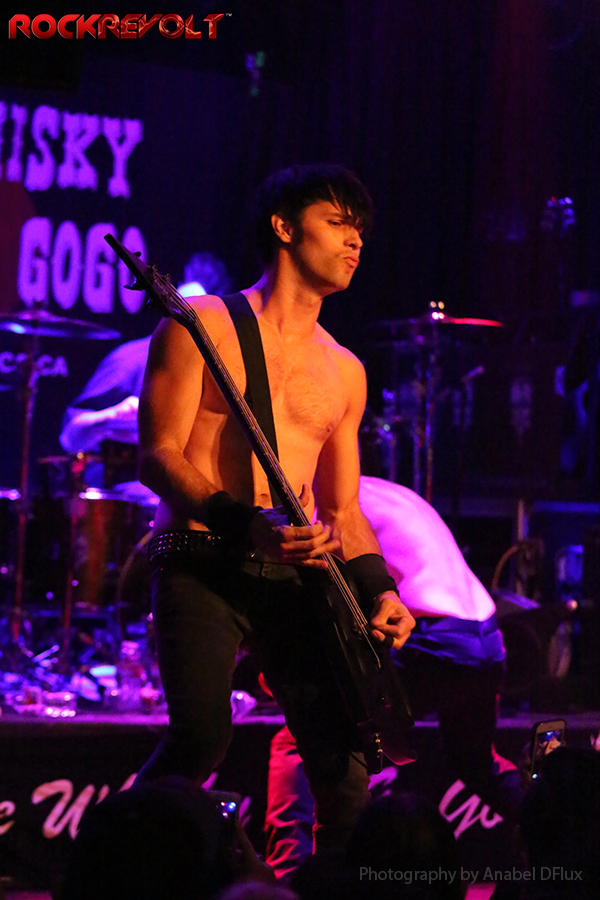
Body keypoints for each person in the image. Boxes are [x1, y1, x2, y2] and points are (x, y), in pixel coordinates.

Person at [135, 163, 415, 855]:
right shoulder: (202, 324)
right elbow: (158, 455)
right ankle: (113, 860)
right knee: (201, 738)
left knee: (344, 765)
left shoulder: (344, 368)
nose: (355, 240)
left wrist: (380, 589)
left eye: (360, 229)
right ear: (284, 228)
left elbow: (344, 508)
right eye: (337, 222)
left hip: (296, 575)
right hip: (203, 557)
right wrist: (242, 523)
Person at [265, 476, 512, 879]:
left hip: (436, 639)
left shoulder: (326, 500)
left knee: (304, 735)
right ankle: (553, 831)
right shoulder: (388, 492)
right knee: (479, 766)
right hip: (487, 639)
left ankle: (292, 876)